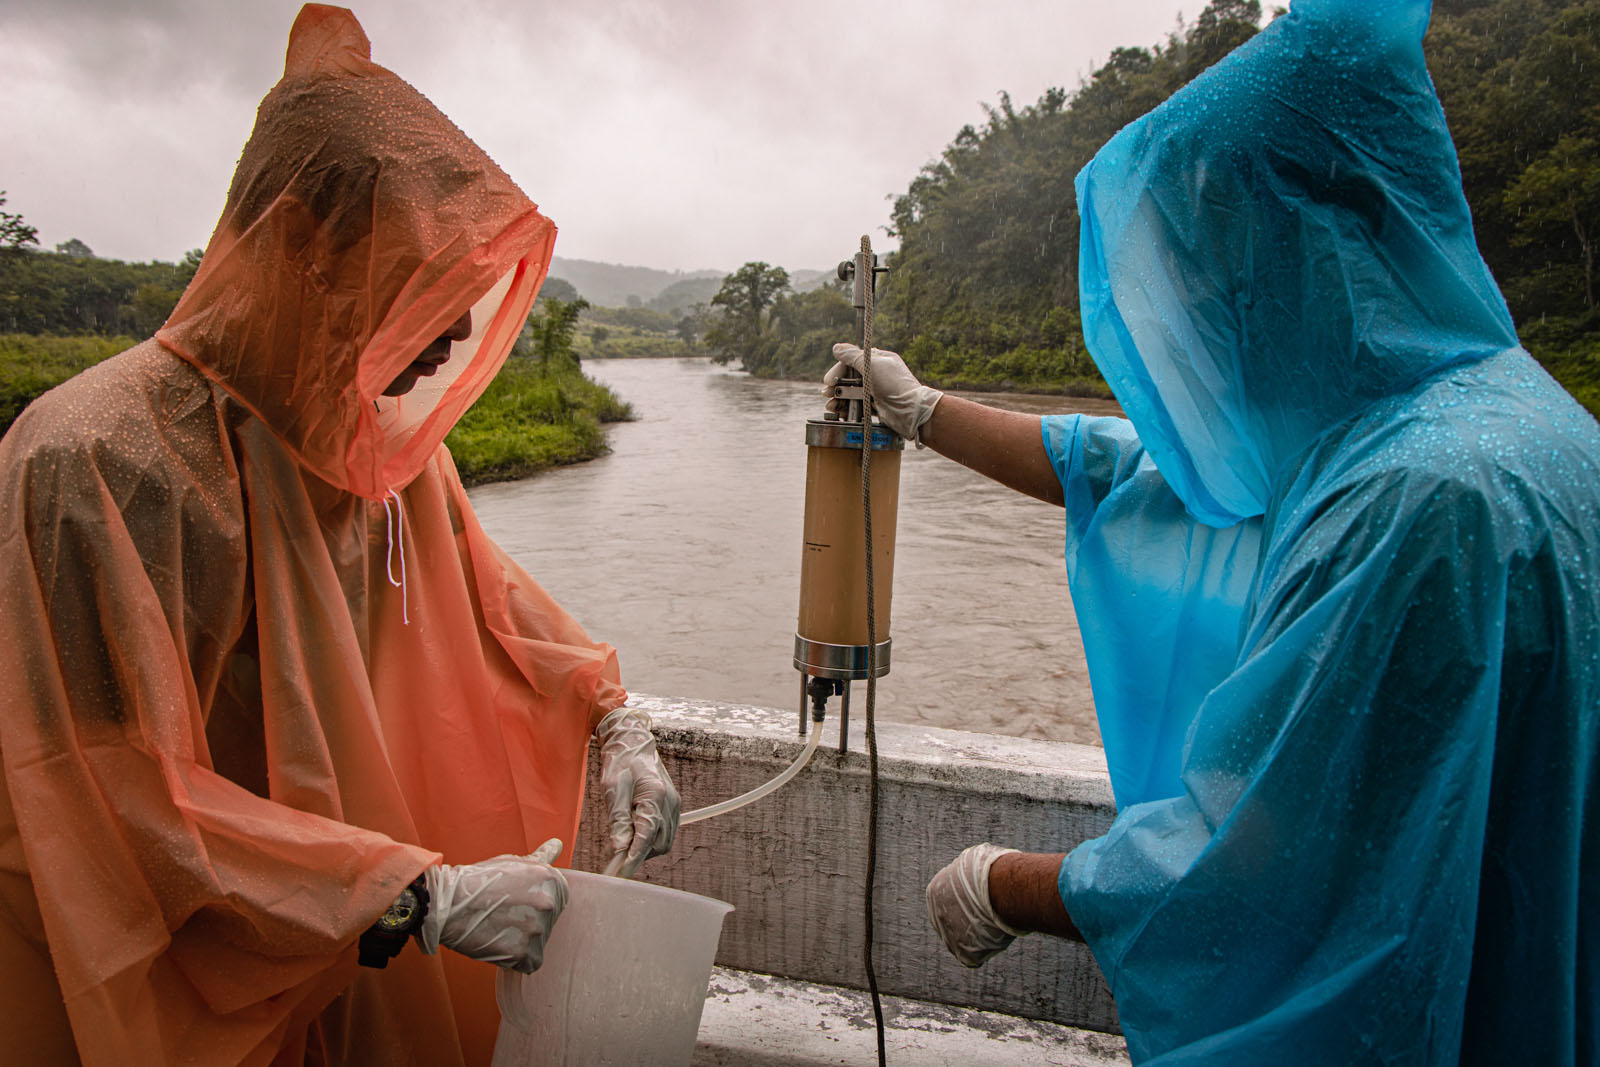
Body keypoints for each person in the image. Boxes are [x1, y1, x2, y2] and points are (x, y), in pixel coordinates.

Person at [834, 0, 1599, 1062]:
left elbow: (1255, 851)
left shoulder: (1410, 504)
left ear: (1293, 245)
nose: (1205, 307)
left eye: (1209, 266)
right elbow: (1144, 475)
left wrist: (1006, 883)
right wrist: (926, 412)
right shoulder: (1511, 423)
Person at [0, 6, 678, 1064]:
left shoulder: (382, 450)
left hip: (351, 958)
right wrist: (412, 896)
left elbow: (490, 605)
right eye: (418, 279)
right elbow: (99, 793)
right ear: (303, 255)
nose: (454, 331)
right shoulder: (93, 460)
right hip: (178, 997)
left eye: (462, 286)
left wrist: (613, 716)